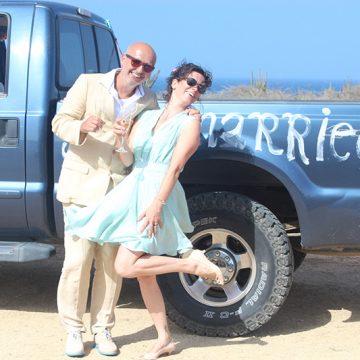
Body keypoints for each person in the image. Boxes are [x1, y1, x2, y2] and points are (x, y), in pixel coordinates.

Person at [65, 62, 224, 360]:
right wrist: (123, 139)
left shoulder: (191, 120)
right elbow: (127, 159)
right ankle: (164, 338)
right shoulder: (148, 114)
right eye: (190, 81)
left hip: (158, 194)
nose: (194, 89)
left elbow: (176, 167)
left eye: (200, 87)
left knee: (125, 266)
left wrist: (157, 205)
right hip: (134, 190)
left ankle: (191, 265)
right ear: (175, 81)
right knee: (143, 274)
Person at [52, 42, 159, 357]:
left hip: (117, 192)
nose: (139, 70)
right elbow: (60, 122)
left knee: (111, 266)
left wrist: (126, 143)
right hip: (80, 187)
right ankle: (73, 329)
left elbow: (137, 154)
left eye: (148, 67)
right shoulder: (88, 82)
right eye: (136, 61)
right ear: (124, 58)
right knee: (77, 261)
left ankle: (103, 330)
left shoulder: (149, 101)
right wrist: (81, 127)